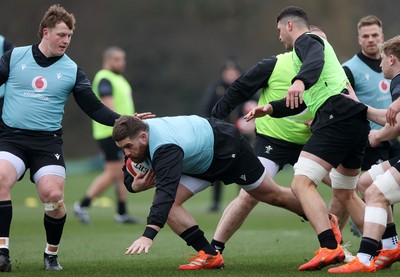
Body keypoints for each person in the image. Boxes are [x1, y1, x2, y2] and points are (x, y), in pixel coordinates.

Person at [0, 5, 152, 272]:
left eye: (69, 36)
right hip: (11, 138)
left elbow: (93, 108)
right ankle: (2, 252)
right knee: (0, 178)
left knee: (53, 195)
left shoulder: (71, 70)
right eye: (61, 35)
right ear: (45, 32)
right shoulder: (15, 57)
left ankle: (51, 254)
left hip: (47, 144)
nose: (66, 41)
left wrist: (124, 119)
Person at [210, 26, 353, 261]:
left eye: (325, 46)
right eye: (316, 44)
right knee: (249, 194)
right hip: (273, 141)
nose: (321, 51)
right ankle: (214, 250)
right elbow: (239, 87)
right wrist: (215, 121)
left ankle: (337, 246)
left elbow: (347, 103)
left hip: (313, 143)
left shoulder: (333, 70)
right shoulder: (274, 64)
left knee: (345, 191)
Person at [244, 6, 370, 271]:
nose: (279, 37)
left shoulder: (309, 40)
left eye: (279, 30)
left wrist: (299, 81)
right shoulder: (315, 61)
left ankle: (329, 247)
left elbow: (313, 60)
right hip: (353, 119)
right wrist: (270, 108)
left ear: (290, 25)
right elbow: (299, 102)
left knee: (301, 181)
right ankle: (384, 247)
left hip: (336, 116)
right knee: (346, 192)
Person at [112, 115, 314, 270]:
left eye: (128, 147)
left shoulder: (165, 148)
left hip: (225, 148)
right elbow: (130, 176)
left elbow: (165, 191)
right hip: (199, 162)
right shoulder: (137, 140)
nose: (127, 153)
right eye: (122, 149)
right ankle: (210, 255)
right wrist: (135, 186)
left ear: (144, 136)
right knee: (171, 205)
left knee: (271, 195)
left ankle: (320, 216)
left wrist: (148, 235)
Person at [328, 35, 400, 273]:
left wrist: (378, 136)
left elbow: (396, 124)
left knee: (376, 193)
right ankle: (391, 245)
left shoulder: (398, 81)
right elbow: (386, 117)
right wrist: (358, 104)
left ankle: (365, 257)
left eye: (382, 61)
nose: (379, 66)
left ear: (392, 59)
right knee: (366, 182)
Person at [73, 47, 141, 225]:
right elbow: (108, 104)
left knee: (121, 173)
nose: (122, 62)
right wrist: (121, 126)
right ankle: (82, 205)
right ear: (109, 60)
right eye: (118, 59)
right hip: (111, 132)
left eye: (123, 59)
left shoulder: (119, 79)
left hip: (121, 132)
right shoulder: (105, 77)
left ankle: (122, 212)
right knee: (112, 172)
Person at [343, 15, 400, 171]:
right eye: (365, 36)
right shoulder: (349, 69)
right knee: (371, 188)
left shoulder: (394, 66)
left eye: (374, 35)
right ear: (359, 40)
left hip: (392, 136)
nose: (371, 39)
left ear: (382, 37)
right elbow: (342, 103)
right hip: (370, 141)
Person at [201, 59, 242, 212]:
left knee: (242, 167)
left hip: (241, 135)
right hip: (220, 134)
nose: (230, 75)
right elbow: (206, 109)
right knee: (218, 168)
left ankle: (241, 201)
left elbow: (255, 104)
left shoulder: (245, 87)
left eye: (234, 73)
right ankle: (216, 202)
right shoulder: (215, 88)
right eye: (228, 72)